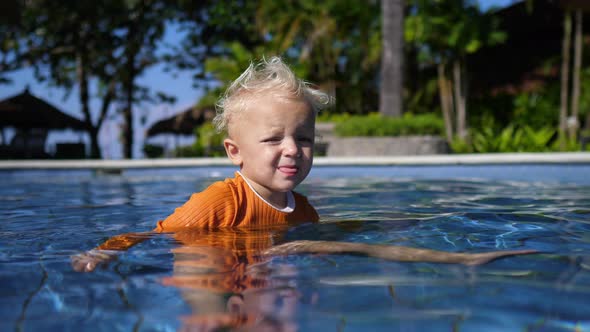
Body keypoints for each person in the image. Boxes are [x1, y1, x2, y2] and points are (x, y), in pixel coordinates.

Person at [72, 56, 536, 330]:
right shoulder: (219, 201)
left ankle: (459, 260)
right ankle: (210, 317)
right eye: (273, 140)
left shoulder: (304, 210)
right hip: (218, 274)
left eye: (305, 139)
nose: (292, 150)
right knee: (200, 253)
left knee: (322, 248)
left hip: (265, 275)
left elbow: (319, 242)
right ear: (235, 151)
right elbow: (155, 235)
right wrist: (106, 250)